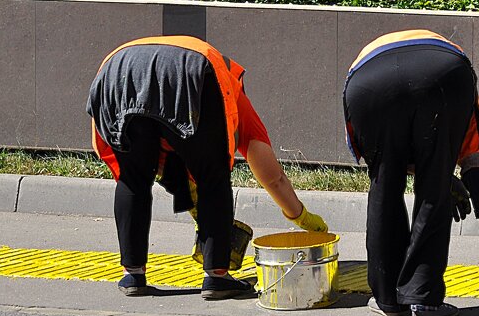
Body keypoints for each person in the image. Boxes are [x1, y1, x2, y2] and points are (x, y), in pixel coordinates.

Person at [87, 35, 327, 301]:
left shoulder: (140, 73)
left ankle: (133, 274)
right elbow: (273, 177)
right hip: (192, 68)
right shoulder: (230, 85)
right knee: (213, 177)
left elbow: (104, 142)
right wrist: (301, 217)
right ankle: (216, 276)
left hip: (117, 67)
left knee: (133, 178)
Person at [343, 29, 479, 316]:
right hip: (444, 74)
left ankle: (387, 299)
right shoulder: (454, 68)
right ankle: (423, 300)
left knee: (383, 183)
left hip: (365, 82)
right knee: (433, 188)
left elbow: (390, 157)